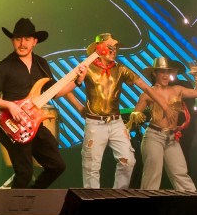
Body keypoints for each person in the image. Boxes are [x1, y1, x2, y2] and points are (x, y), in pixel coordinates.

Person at [0, 18, 78, 189]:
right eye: (18, 39)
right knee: (25, 173)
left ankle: (31, 197)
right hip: (12, 126)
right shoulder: (5, 66)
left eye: (27, 39)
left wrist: (77, 81)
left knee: (57, 166)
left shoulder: (41, 64)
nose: (22, 43)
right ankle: (15, 205)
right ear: (12, 41)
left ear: (35, 41)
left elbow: (54, 92)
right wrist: (10, 105)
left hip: (34, 125)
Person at [74, 33, 172, 189]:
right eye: (110, 47)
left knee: (128, 161)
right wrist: (80, 107)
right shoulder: (87, 68)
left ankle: (118, 196)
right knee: (91, 167)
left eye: (116, 48)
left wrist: (165, 106)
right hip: (95, 123)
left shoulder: (120, 69)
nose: (114, 51)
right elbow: (66, 87)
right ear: (100, 49)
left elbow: (146, 87)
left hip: (115, 122)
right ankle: (92, 202)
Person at [125, 57, 197, 191]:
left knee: (180, 173)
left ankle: (192, 200)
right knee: (153, 174)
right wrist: (136, 115)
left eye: (167, 72)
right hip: (154, 136)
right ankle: (147, 203)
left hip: (172, 137)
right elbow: (134, 114)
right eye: (162, 72)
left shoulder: (177, 89)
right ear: (155, 73)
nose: (165, 75)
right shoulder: (148, 94)